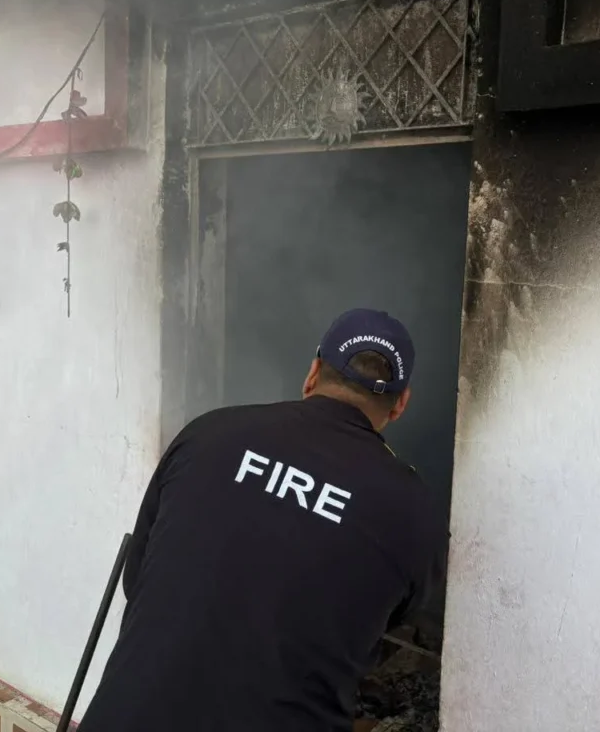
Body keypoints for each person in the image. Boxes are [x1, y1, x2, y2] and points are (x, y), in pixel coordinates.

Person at [78, 308, 449, 732]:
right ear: (400, 404)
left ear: (313, 374)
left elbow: (137, 580)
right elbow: (391, 618)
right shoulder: (413, 510)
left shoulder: (209, 433)